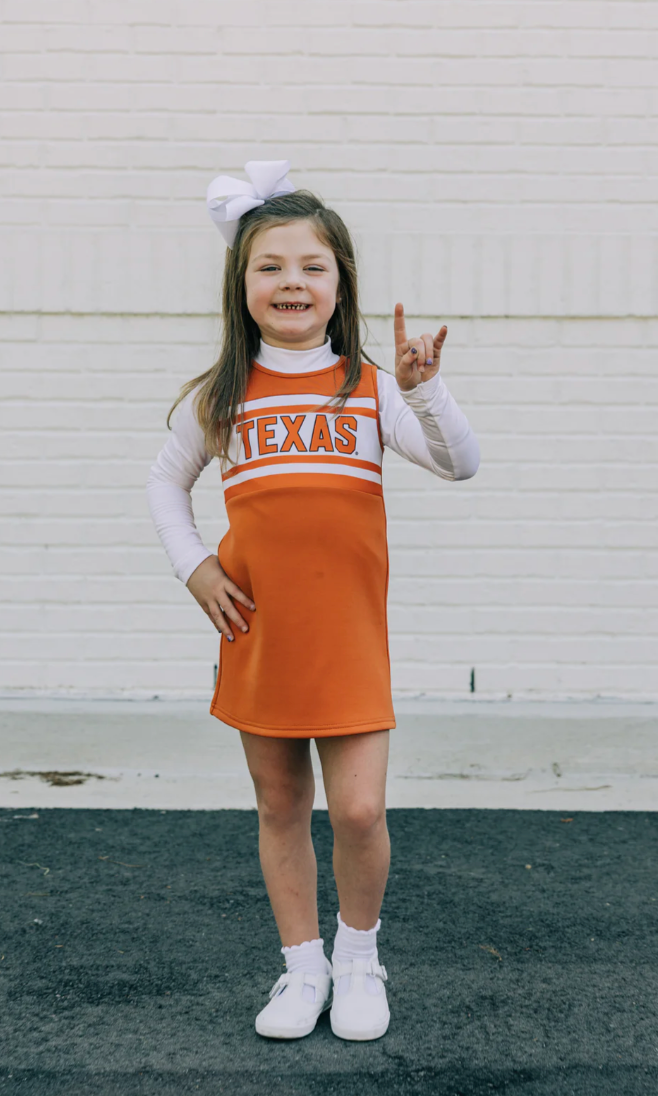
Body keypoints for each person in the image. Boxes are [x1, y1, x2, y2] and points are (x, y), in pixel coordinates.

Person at [146, 160, 480, 1042]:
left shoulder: (370, 390)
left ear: (340, 285)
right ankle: (302, 968)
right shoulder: (220, 396)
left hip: (348, 635)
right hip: (260, 632)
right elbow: (163, 483)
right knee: (279, 805)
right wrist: (195, 568)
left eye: (311, 266)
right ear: (242, 283)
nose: (292, 281)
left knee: (360, 810)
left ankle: (359, 956)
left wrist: (423, 389)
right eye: (270, 266)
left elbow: (461, 461)